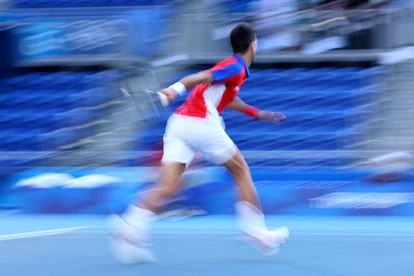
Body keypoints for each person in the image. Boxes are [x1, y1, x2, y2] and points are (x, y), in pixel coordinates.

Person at [111, 23, 289, 264]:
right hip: (201, 124)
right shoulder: (234, 65)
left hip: (179, 125)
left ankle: (129, 227)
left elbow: (228, 97)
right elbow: (201, 76)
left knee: (168, 186)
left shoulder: (232, 70)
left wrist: (257, 113)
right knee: (241, 170)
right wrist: (174, 89)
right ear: (253, 45)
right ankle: (255, 231)